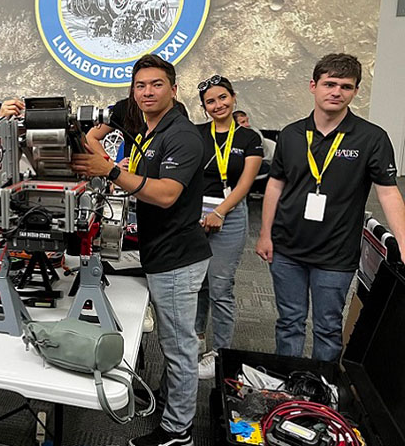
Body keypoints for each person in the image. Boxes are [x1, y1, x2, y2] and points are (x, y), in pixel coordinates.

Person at [73, 54, 211, 446]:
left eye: (156, 84)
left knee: (178, 346)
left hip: (177, 256)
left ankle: (177, 431)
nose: (147, 92)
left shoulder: (181, 135)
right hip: (161, 250)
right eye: (140, 86)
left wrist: (112, 172)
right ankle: (169, 404)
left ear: (174, 88)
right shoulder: (152, 130)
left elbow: (166, 195)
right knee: (173, 342)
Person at [256, 53, 405, 362]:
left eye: (346, 86)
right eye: (330, 84)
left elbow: (389, 194)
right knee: (289, 324)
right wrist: (265, 234)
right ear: (314, 86)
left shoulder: (371, 138)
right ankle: (289, 391)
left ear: (355, 92)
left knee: (327, 328)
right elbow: (275, 185)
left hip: (336, 255)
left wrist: (404, 243)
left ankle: (324, 399)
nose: (337, 92)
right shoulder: (292, 134)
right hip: (286, 249)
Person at [193, 76, 263, 379]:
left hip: (230, 213)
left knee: (221, 286)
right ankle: (196, 337)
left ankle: (220, 352)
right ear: (204, 106)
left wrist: (220, 212)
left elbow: (246, 183)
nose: (218, 105)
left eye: (223, 98)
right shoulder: (196, 134)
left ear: (233, 98)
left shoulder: (249, 138)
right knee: (196, 282)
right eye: (211, 101)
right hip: (197, 214)